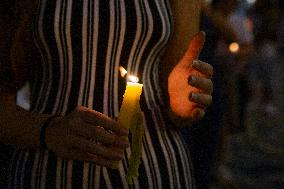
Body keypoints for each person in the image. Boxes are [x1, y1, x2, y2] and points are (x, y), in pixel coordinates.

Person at [0, 0, 213, 188]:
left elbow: (175, 107)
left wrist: (182, 105)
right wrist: (48, 130)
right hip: (48, 171)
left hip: (154, 171)